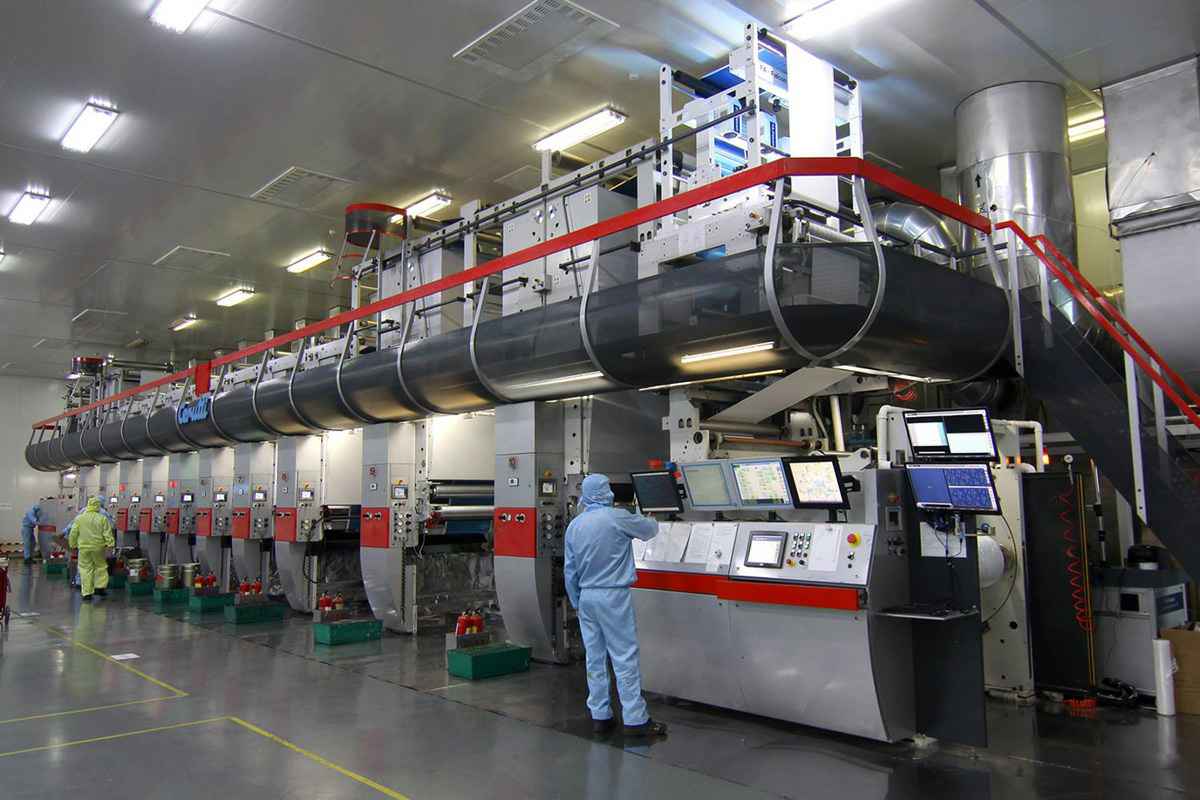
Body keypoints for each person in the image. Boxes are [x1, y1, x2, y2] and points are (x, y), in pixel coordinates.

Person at [564, 473, 667, 738]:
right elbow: (650, 530)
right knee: (624, 657)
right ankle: (635, 719)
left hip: (586, 598)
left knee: (594, 658)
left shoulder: (575, 526)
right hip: (613, 597)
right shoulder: (617, 518)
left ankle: (600, 716)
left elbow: (569, 571)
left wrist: (577, 602)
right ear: (605, 492)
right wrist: (650, 515)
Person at [66, 497, 115, 601]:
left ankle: (87, 593)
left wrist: (72, 545)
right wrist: (110, 545)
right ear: (98, 505)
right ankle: (99, 588)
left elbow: (73, 533)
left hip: (84, 548)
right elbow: (108, 533)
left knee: (85, 569)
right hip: (98, 548)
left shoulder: (80, 518)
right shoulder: (102, 518)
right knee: (100, 567)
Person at [20, 500, 43, 564]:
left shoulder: (35, 512)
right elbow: (34, 521)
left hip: (30, 529)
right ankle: (27, 558)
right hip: (26, 528)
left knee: (33, 543)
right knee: (27, 544)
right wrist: (43, 523)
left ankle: (30, 557)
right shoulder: (30, 512)